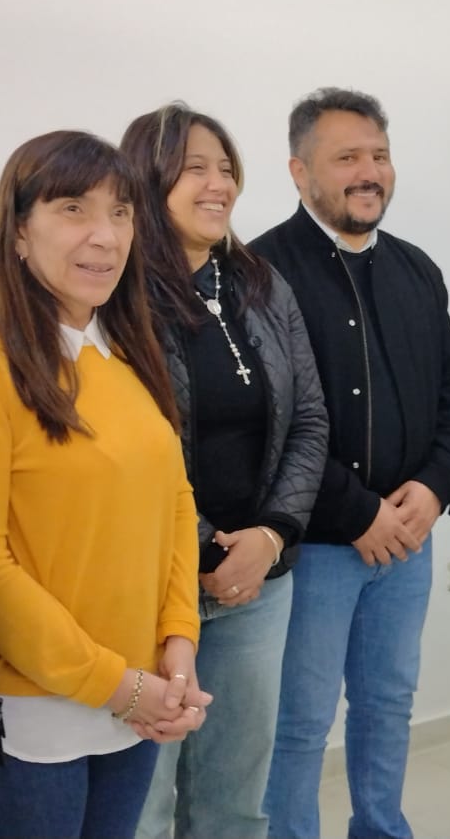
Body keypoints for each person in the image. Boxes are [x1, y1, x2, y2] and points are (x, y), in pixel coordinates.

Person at [0, 131, 208, 839]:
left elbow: (175, 502)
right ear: (19, 232)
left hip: (138, 698)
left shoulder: (126, 353)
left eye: (120, 213)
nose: (104, 236)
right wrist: (123, 685)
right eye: (73, 209)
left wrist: (178, 639)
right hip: (38, 711)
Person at [250, 87, 450, 839]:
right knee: (301, 720)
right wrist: (360, 512)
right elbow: (267, 429)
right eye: (346, 157)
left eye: (378, 155)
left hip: (408, 540)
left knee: (388, 704)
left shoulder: (417, 269)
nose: (368, 171)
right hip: (313, 545)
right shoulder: (259, 272)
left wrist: (434, 491)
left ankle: (381, 827)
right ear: (299, 170)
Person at [121, 103, 328, 839]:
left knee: (236, 802)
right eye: (195, 167)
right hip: (150, 587)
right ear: (149, 180)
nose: (219, 183)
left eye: (226, 166)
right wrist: (210, 547)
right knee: (143, 808)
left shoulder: (260, 283)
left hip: (257, 588)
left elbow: (310, 418)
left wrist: (269, 536)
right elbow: (135, 455)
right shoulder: (117, 296)